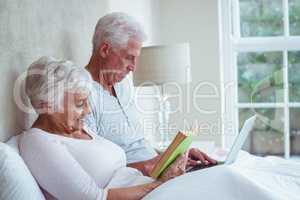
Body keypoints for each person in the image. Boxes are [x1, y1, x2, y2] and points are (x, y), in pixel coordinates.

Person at [19, 57, 187, 200]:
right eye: (79, 103)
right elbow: (94, 198)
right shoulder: (38, 142)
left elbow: (115, 174)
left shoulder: (78, 128)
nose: (88, 110)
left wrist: (156, 168)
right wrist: (162, 184)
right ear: (47, 106)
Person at [84, 12, 216, 176]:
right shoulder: (82, 96)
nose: (133, 67)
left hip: (157, 171)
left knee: (223, 173)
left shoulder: (123, 86)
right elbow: (94, 169)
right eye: (129, 58)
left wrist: (172, 156)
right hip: (135, 182)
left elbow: (137, 146)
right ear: (105, 49)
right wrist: (149, 167)